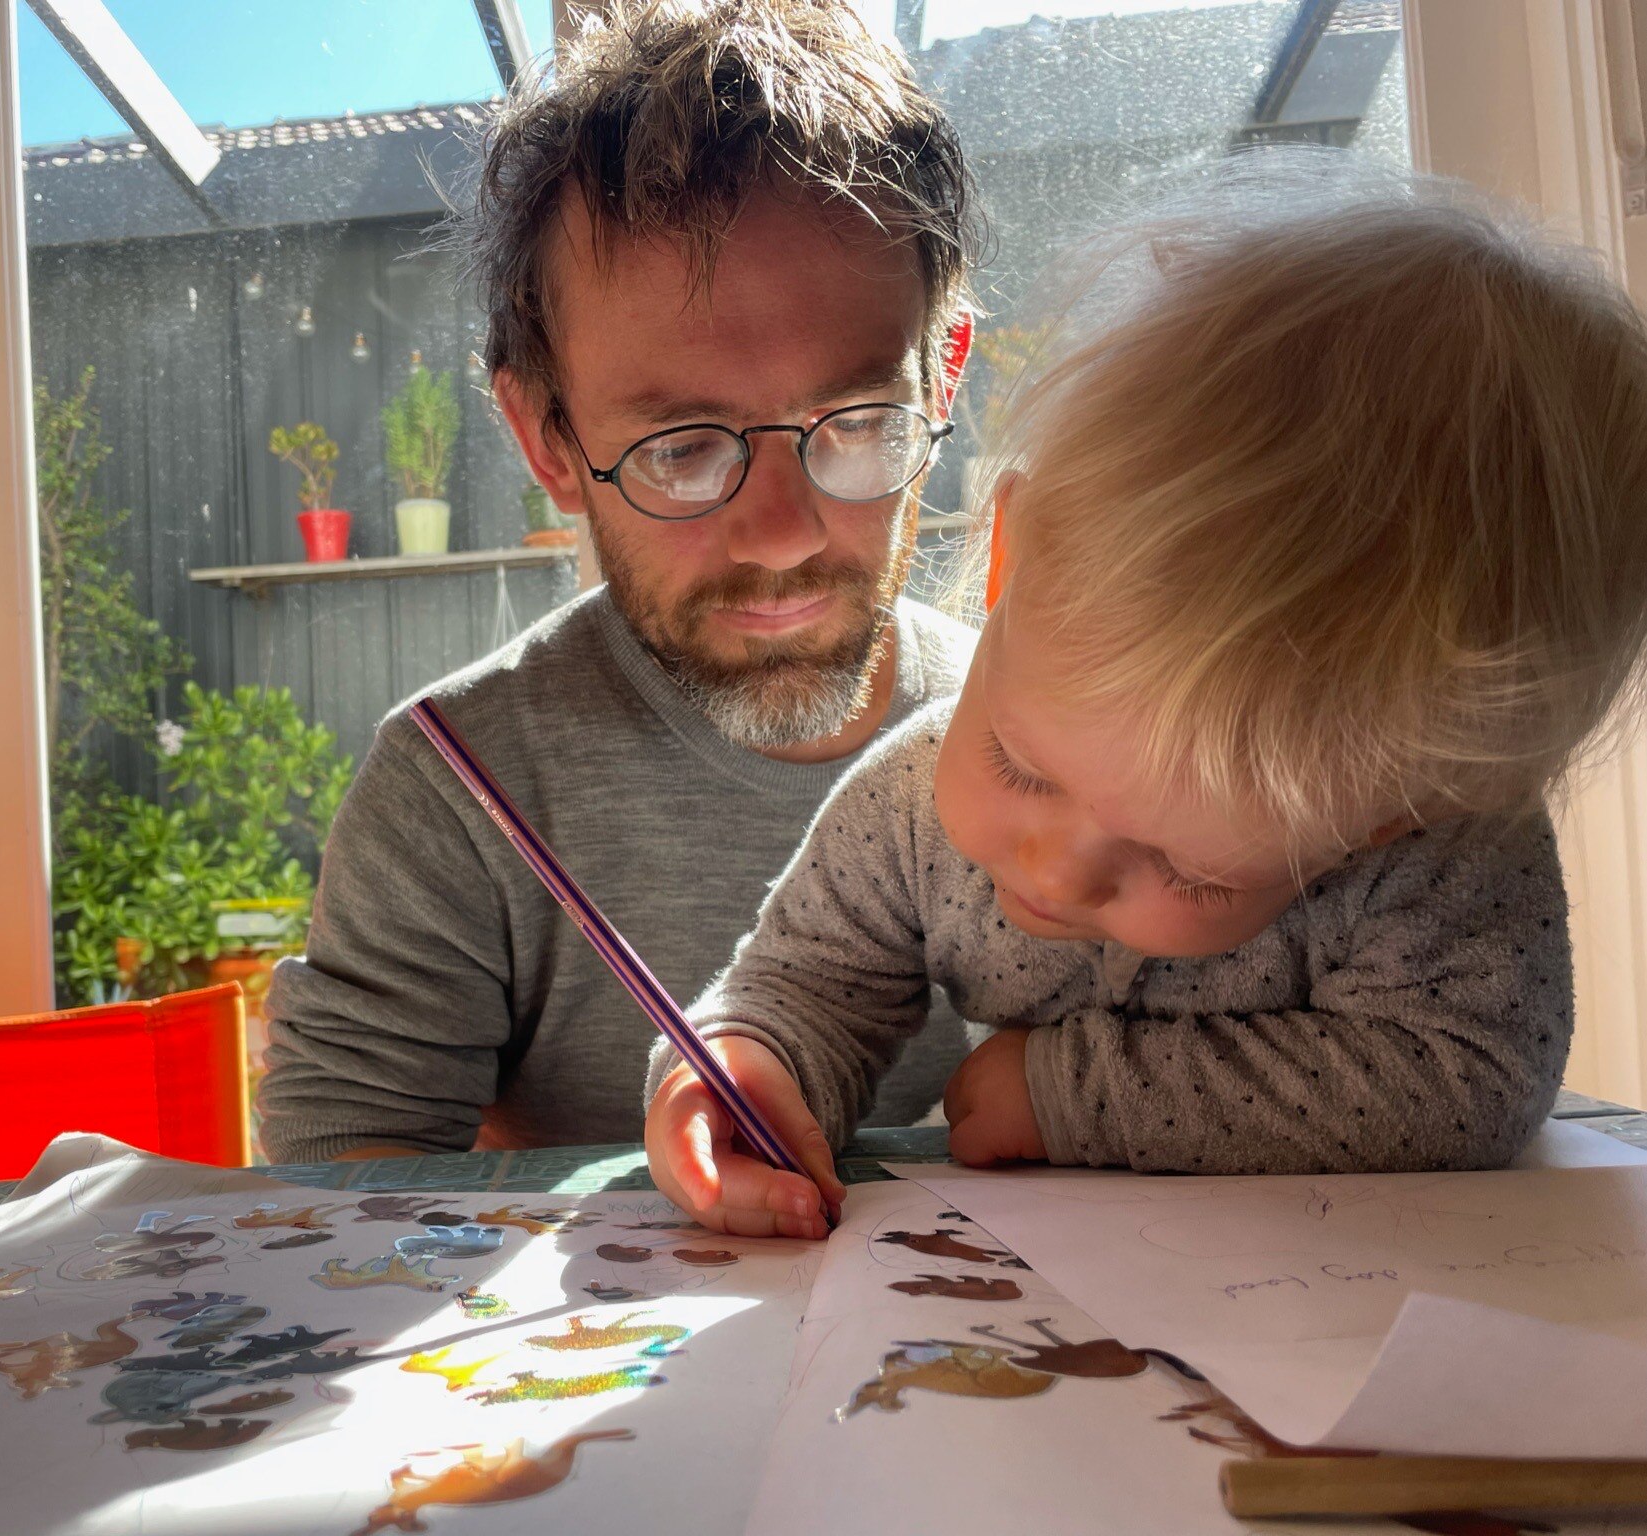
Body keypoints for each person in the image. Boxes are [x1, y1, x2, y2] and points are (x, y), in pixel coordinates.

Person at [644, 160, 1647, 1239]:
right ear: (1007, 562)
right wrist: (745, 1069)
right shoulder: (906, 813)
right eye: (1023, 767)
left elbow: (1467, 1078)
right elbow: (810, 981)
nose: (1056, 871)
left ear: (1399, 816)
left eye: (1188, 867)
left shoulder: (1442, 859)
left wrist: (1071, 1094)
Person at [259, 0, 988, 1163]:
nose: (783, 536)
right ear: (547, 436)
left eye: (856, 422)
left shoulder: (1064, 739)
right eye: (684, 448)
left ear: (942, 380)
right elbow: (337, 1191)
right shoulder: (460, 792)